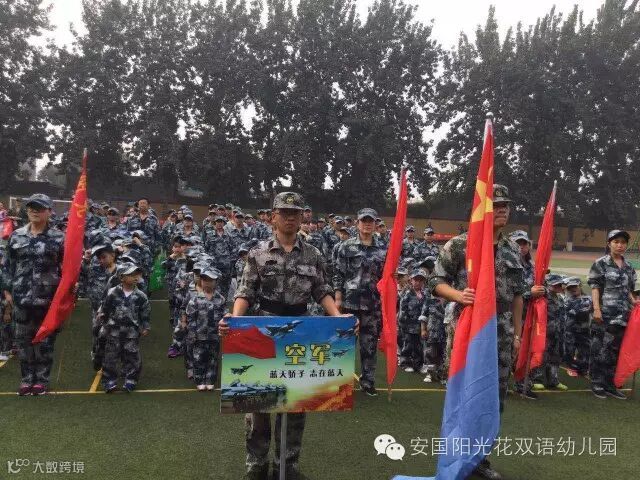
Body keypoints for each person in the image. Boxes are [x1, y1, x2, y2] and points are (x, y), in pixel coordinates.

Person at [219, 191, 346, 480]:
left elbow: (322, 291)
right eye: (285, 212)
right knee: (258, 403)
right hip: (265, 329)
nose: (290, 217)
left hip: (301, 331)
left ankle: (287, 466)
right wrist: (235, 322)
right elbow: (245, 291)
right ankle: (257, 465)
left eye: (295, 213)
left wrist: (338, 318)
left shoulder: (313, 254)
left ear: (302, 217)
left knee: (297, 404)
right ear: (273, 216)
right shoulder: (258, 252)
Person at [429, 184, 524, 480]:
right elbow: (435, 281)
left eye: (506, 205)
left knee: (494, 397)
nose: (503, 210)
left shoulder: (512, 249)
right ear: (482, 209)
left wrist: (518, 335)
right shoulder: (460, 245)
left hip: (502, 333)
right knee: (464, 393)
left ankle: (480, 458)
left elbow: (518, 296)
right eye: (496, 205)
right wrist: (459, 295)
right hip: (468, 331)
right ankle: (456, 456)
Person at [5, 194, 64, 396]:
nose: (34, 211)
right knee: (23, 342)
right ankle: (26, 380)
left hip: (48, 300)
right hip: (21, 298)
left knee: (45, 343)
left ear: (49, 211)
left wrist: (67, 293)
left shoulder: (59, 237)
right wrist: (7, 290)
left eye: (39, 208)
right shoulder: (16, 236)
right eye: (31, 207)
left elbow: (68, 268)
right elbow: (7, 266)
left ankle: (41, 381)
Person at [333, 207, 387, 397]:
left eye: (371, 221)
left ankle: (368, 381)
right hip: (350, 304)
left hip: (372, 305)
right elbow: (338, 274)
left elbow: (386, 277)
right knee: (345, 345)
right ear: (357, 223)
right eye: (364, 221)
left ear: (376, 224)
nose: (367, 224)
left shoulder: (383, 249)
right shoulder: (345, 247)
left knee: (369, 346)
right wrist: (338, 298)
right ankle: (340, 382)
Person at [588, 229, 638, 400]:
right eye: (616, 242)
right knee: (600, 349)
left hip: (623, 315)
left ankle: (610, 384)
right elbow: (595, 287)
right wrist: (596, 309)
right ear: (609, 244)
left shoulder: (629, 267)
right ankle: (597, 382)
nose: (620, 245)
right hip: (605, 314)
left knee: (615, 351)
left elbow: (628, 290)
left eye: (623, 242)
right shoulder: (600, 263)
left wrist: (634, 302)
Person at [99, 263, 150, 393]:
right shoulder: (112, 292)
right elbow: (105, 308)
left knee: (132, 356)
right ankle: (109, 381)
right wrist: (103, 320)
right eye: (131, 274)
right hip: (113, 330)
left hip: (131, 332)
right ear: (122, 277)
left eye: (136, 274)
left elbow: (145, 313)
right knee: (111, 356)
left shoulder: (141, 296)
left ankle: (131, 380)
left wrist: (145, 326)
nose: (135, 277)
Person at [509, 229, 545, 399]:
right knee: (508, 349)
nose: (521, 247)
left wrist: (542, 290)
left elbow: (541, 287)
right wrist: (530, 293)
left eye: (524, 243)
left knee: (526, 349)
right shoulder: (505, 264)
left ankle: (522, 384)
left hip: (529, 315)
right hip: (509, 315)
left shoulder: (533, 266)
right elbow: (506, 292)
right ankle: (500, 385)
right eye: (518, 243)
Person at [183, 268, 224, 391]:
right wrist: (192, 334)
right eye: (205, 280)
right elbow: (191, 318)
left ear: (216, 282)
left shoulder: (220, 299)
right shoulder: (195, 299)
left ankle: (210, 379)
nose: (207, 283)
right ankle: (200, 379)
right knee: (199, 358)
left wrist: (227, 317)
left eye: (210, 280)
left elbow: (223, 315)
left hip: (214, 335)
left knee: (213, 359)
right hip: (199, 335)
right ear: (201, 281)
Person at [531, 274, 568, 391]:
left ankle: (553, 380)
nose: (558, 286)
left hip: (558, 332)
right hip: (544, 333)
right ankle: (537, 379)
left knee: (555, 357)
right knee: (542, 356)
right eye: (555, 284)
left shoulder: (561, 298)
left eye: (559, 284)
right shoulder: (544, 296)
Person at [398, 269, 428, 373]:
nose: (418, 282)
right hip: (408, 325)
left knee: (419, 346)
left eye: (421, 280)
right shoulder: (407, 294)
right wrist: (403, 325)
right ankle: (405, 363)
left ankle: (418, 365)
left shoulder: (425, 294)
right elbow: (402, 311)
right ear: (411, 280)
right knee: (408, 345)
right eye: (416, 280)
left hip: (420, 326)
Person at [563, 276, 592, 377]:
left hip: (584, 331)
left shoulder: (589, 299)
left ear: (580, 286)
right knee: (569, 351)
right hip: (570, 331)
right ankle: (572, 368)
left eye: (575, 286)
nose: (573, 289)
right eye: (570, 287)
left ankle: (583, 369)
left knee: (585, 352)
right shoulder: (567, 300)